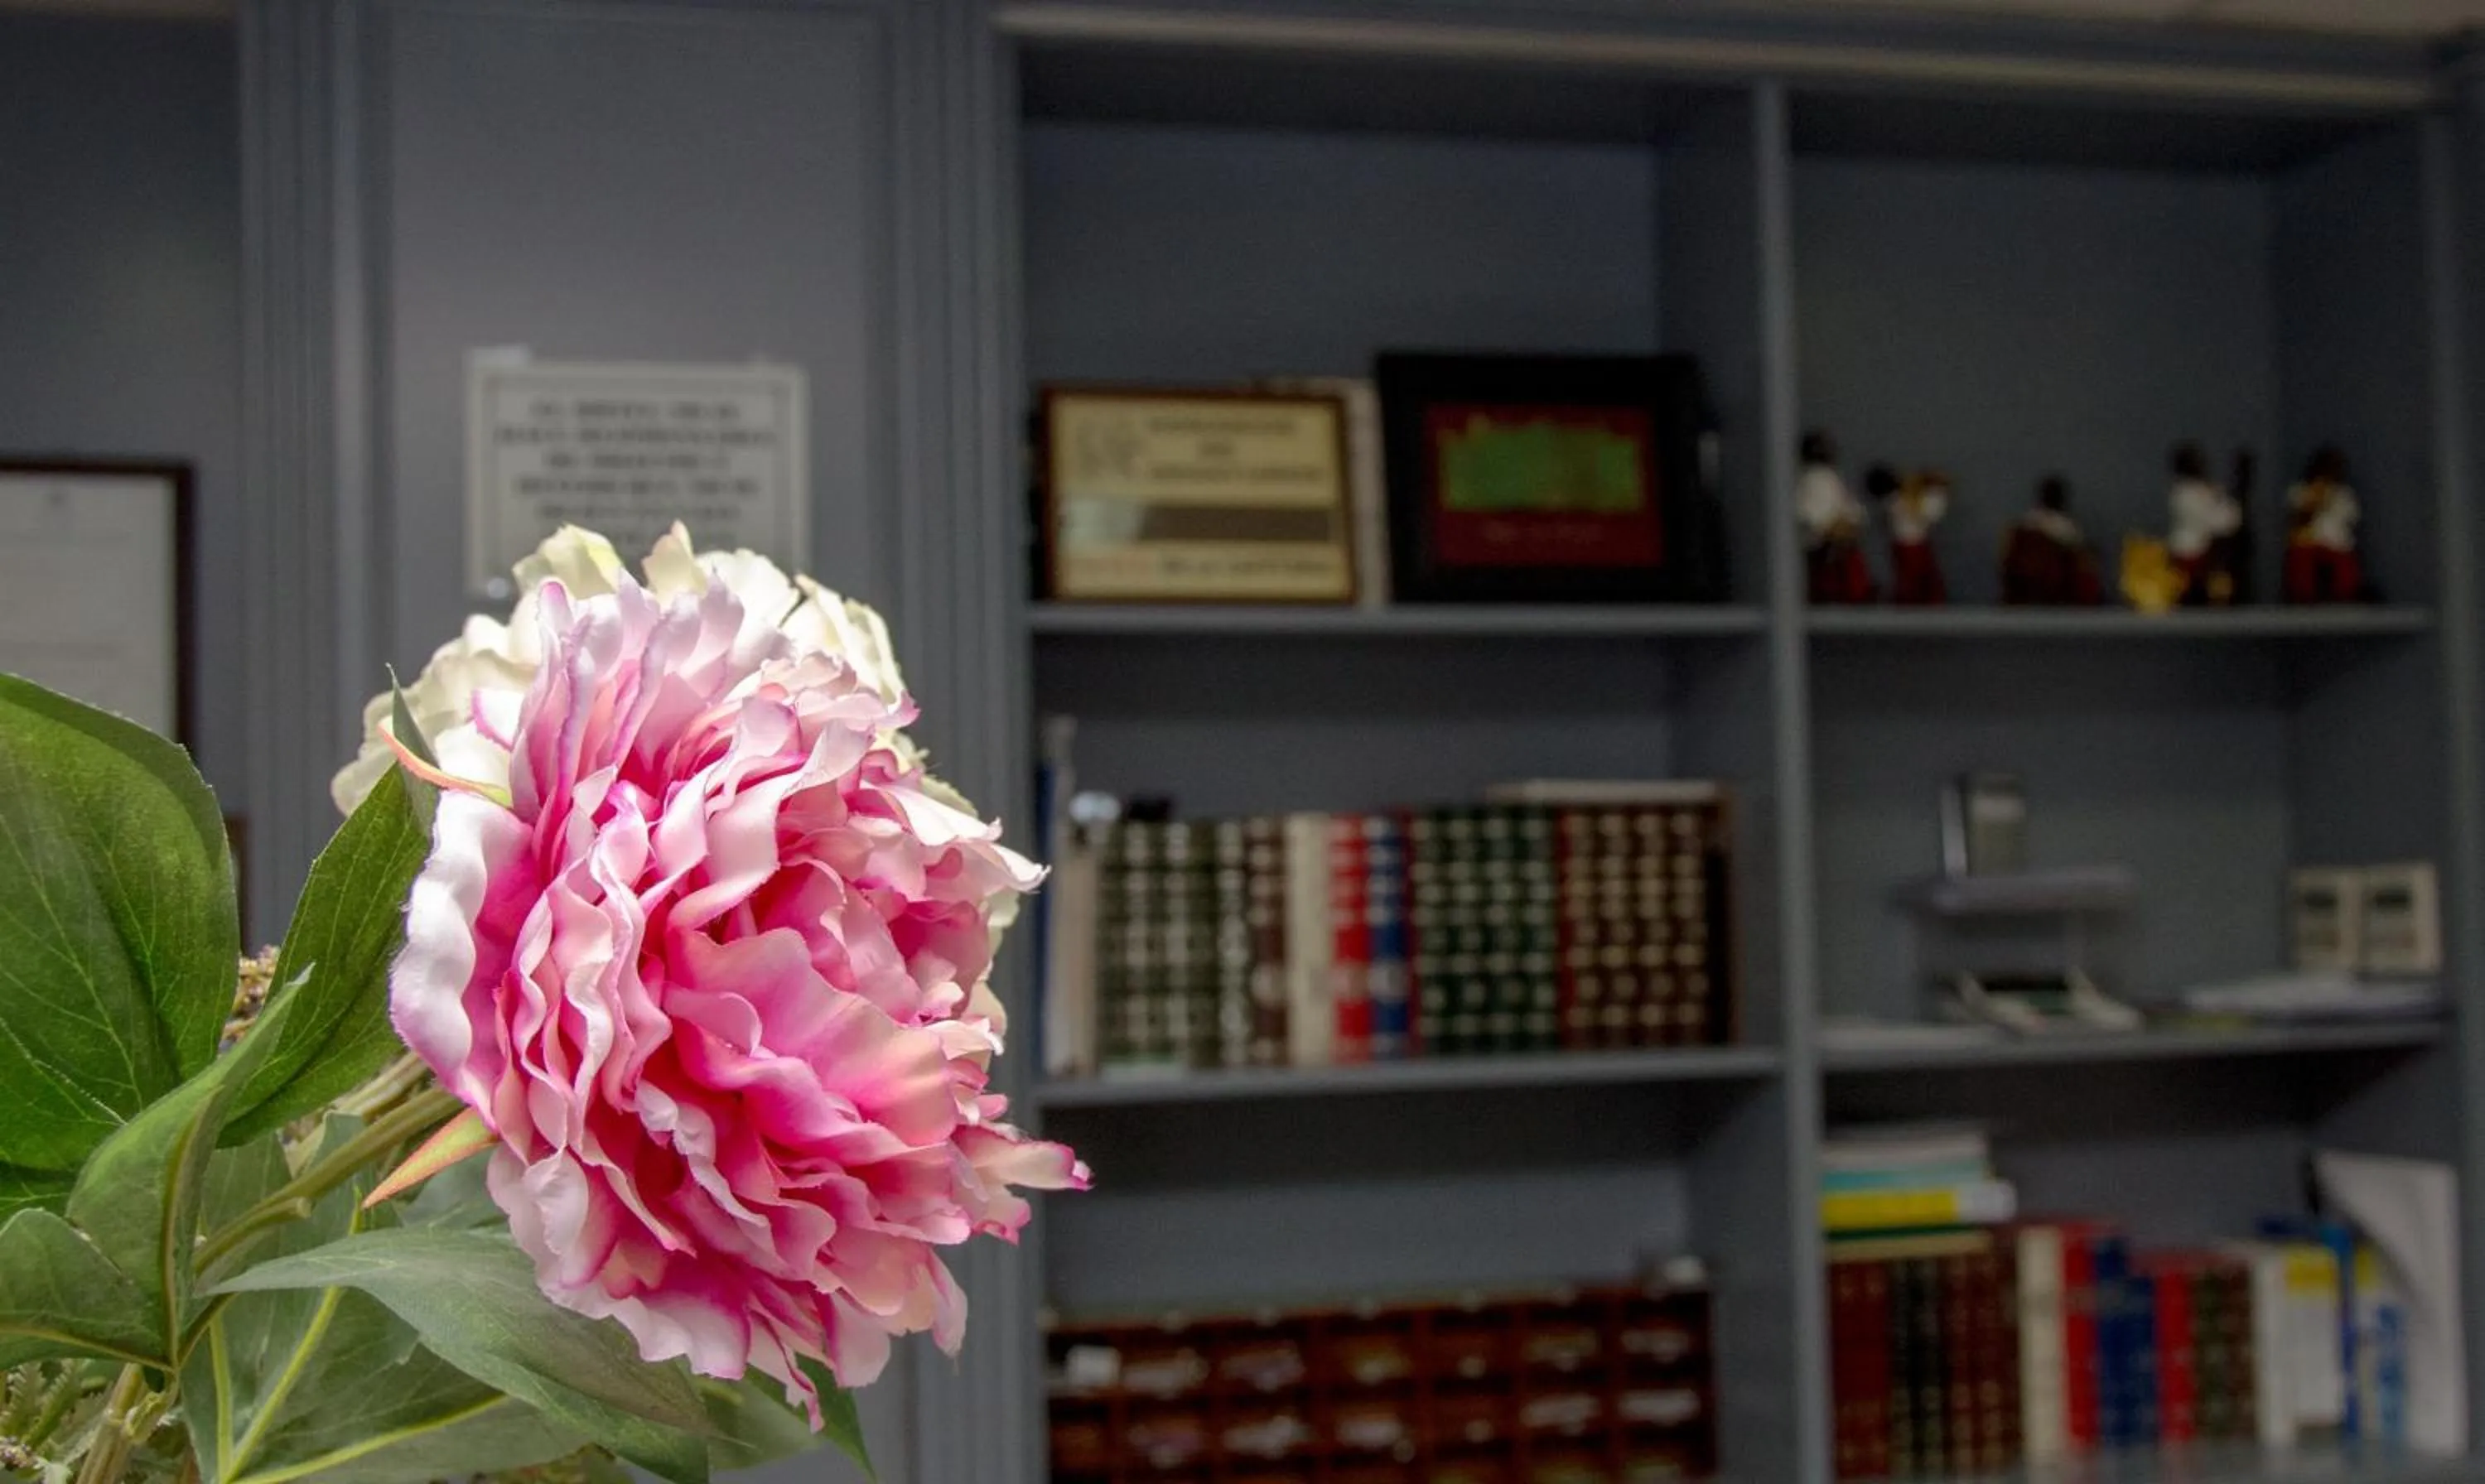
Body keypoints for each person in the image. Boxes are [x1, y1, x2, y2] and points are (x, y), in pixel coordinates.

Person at [1798, 431, 1875, 603]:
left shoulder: (1830, 477)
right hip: (1825, 551)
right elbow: (1812, 520)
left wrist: (1850, 525)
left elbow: (1855, 512)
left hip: (1840, 550)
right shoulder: (1812, 480)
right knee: (1829, 595)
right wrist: (1839, 529)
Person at [2001, 475, 2101, 605]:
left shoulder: (2024, 526)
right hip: (2056, 595)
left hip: (2026, 596)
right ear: (2062, 500)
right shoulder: (2067, 530)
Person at [2283, 446, 2365, 603]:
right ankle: (2303, 601)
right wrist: (2315, 498)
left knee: (2346, 569)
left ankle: (2345, 599)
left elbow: (2351, 520)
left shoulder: (2344, 495)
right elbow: (2296, 518)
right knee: (2301, 559)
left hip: (2336, 545)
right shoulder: (2300, 491)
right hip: (2308, 543)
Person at [2168, 441, 2243, 605]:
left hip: (2203, 553)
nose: (2201, 465)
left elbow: (2229, 520)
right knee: (2189, 599)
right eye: (2196, 462)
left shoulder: (2203, 490)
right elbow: (2219, 522)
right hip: (2190, 553)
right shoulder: (2186, 493)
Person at [1881, 466, 1951, 605]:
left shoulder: (1931, 502)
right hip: (1904, 546)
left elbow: (1921, 513)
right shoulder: (1895, 500)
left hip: (1919, 545)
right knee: (1909, 584)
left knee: (1926, 583)